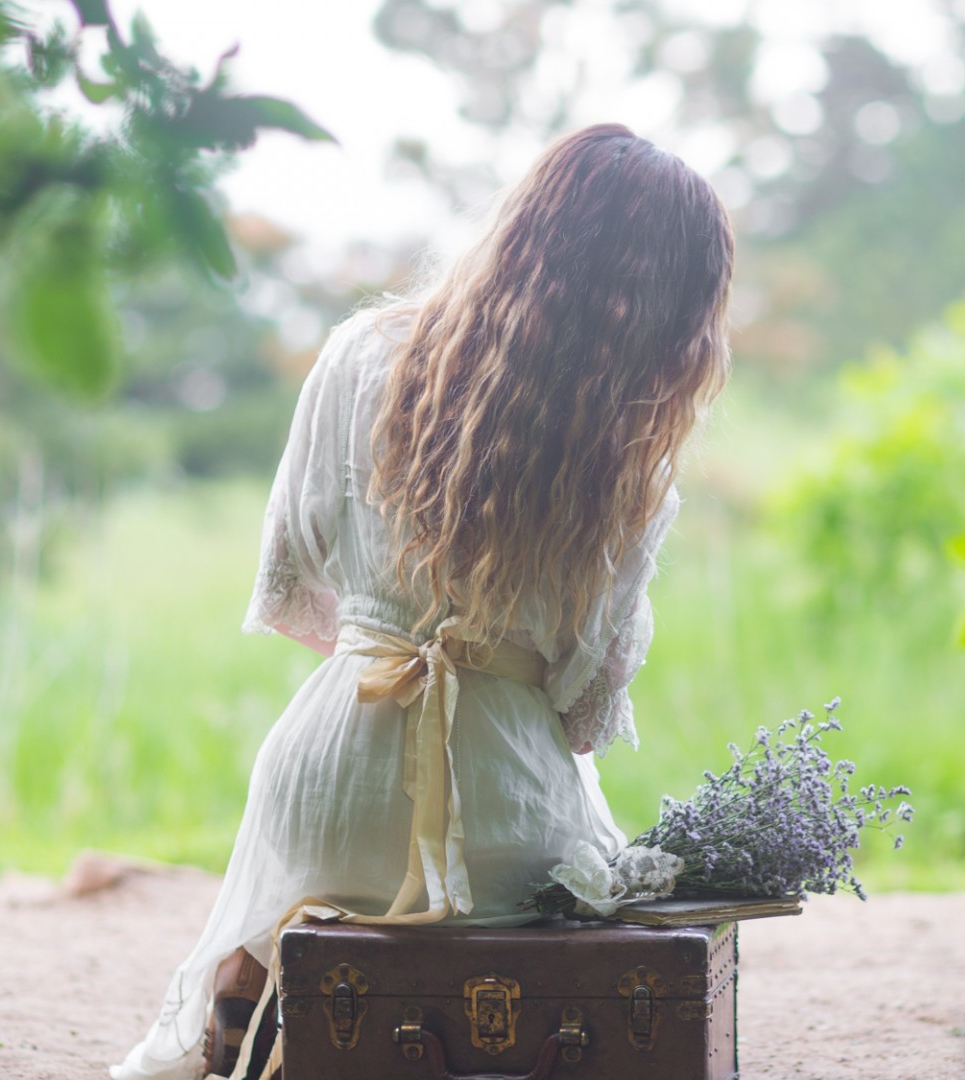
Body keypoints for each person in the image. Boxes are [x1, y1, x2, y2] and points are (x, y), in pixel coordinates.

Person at [109, 123, 734, 1080]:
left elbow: (292, 586)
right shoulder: (630, 470)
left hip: (322, 782)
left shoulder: (360, 353)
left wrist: (387, 647)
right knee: (600, 856)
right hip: (500, 828)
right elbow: (581, 717)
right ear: (674, 312)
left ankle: (257, 996)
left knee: (306, 870)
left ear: (526, 229)